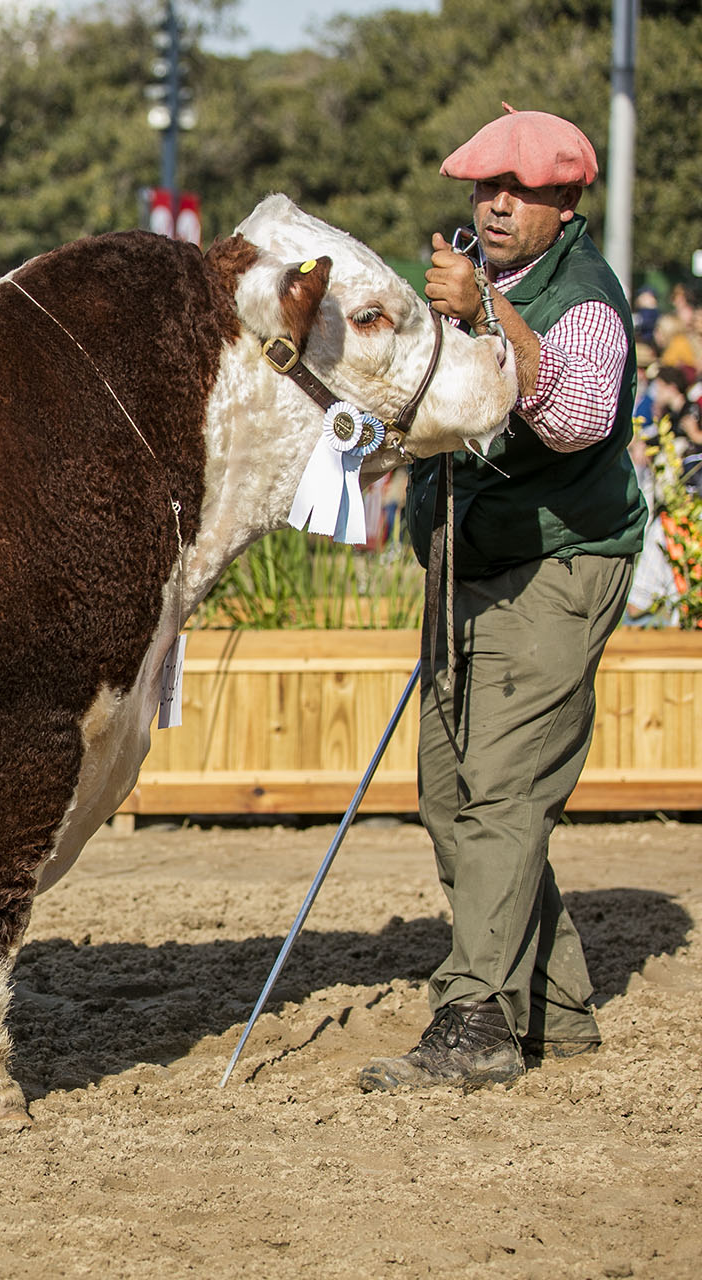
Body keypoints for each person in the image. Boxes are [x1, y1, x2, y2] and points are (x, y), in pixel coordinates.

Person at [360, 106, 648, 1092]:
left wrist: (484, 311)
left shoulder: (587, 303)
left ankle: (476, 1018)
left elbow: (571, 413)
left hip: (561, 563)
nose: (492, 204)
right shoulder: (479, 289)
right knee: (452, 794)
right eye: (484, 188)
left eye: (515, 190)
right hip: (471, 570)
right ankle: (556, 1008)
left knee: (503, 794)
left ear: (565, 203)